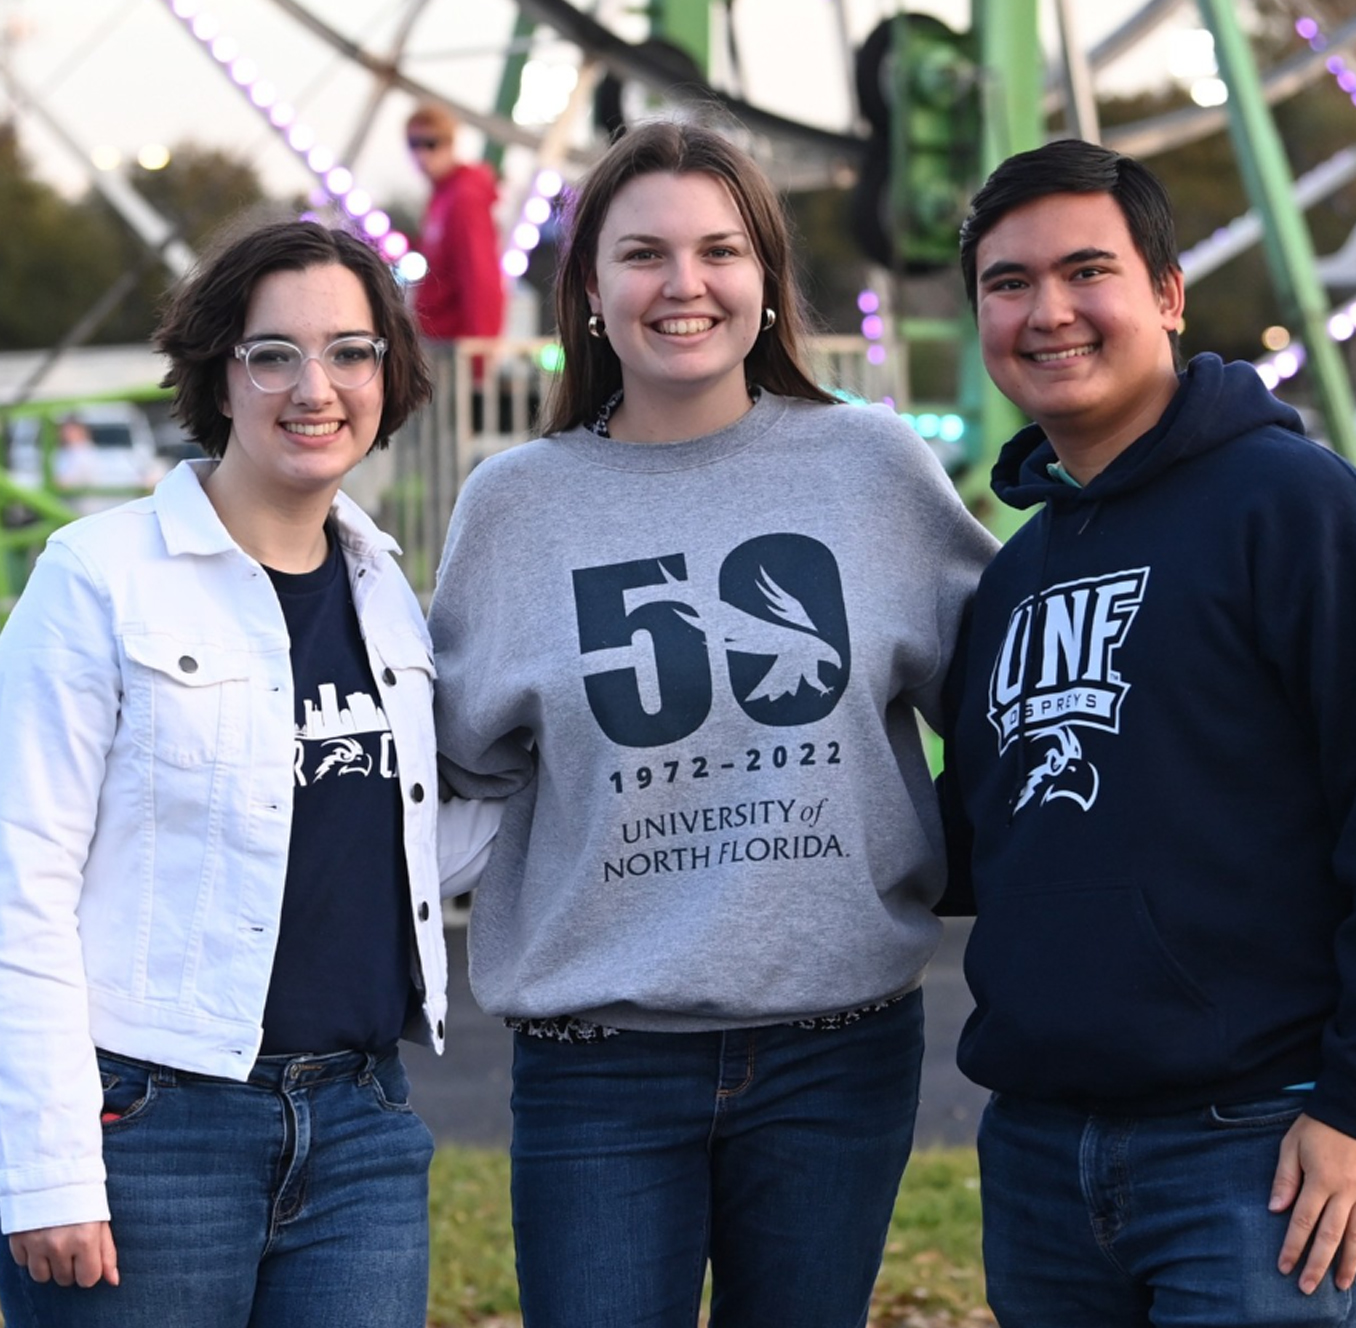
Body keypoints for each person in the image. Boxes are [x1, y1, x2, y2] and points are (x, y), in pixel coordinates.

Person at [429, 118, 997, 1328]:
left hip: (837, 1050)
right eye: (643, 254)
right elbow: (455, 755)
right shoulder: (515, 506)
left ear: (766, 278)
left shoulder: (873, 469)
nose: (684, 285)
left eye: (719, 251)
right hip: (598, 1063)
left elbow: (1006, 703)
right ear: (588, 288)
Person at [940, 137, 1356, 1328]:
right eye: (1008, 285)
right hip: (1040, 1149)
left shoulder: (1303, 513)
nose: (1048, 312)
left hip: (1256, 1148)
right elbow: (987, 845)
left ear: (1167, 294)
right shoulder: (1013, 578)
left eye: (1086, 272)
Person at [0, 219, 497, 1327]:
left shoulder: (389, 598)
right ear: (219, 375)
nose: (314, 386)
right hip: (150, 1129)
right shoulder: (100, 579)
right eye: (274, 353)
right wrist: (47, 1171)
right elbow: (17, 883)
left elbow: (389, 839)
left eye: (350, 352)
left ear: (387, 376)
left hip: (364, 1120)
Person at [406, 101, 506, 347]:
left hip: (457, 349)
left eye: (431, 143)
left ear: (450, 144)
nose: (422, 154)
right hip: (439, 342)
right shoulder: (440, 198)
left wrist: (480, 353)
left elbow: (479, 276)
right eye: (414, 144)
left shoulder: (464, 198)